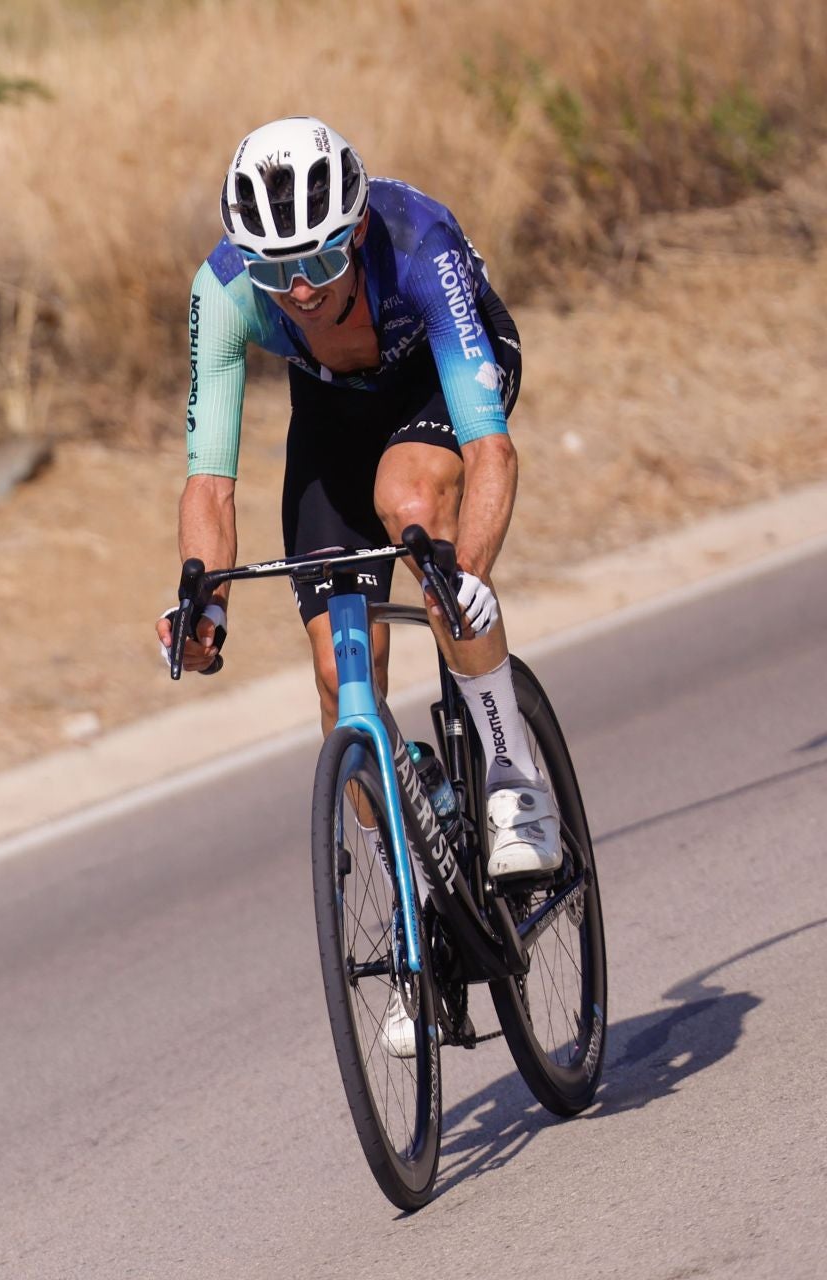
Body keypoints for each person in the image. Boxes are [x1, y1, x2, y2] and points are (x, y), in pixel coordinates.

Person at [153, 116, 557, 1054]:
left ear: (358, 232)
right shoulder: (222, 293)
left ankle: (508, 767)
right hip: (332, 418)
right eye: (274, 273)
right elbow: (209, 483)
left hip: (442, 382)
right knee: (343, 681)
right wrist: (201, 604)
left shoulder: (420, 243)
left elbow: (491, 450)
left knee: (412, 501)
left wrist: (472, 579)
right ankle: (413, 916)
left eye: (322, 262)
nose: (298, 289)